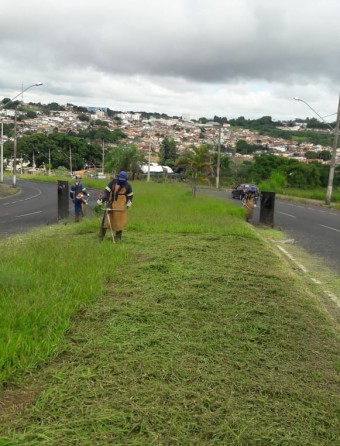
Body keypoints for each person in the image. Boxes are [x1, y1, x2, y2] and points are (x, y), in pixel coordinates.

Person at [97, 171, 133, 242]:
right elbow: (106, 193)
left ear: (125, 179)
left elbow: (130, 196)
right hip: (111, 204)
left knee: (120, 223)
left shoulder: (128, 186)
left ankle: (118, 238)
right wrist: (102, 200)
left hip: (121, 206)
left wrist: (129, 202)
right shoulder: (112, 183)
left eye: (123, 180)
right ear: (118, 177)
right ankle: (100, 238)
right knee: (105, 221)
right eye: (120, 179)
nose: (121, 181)